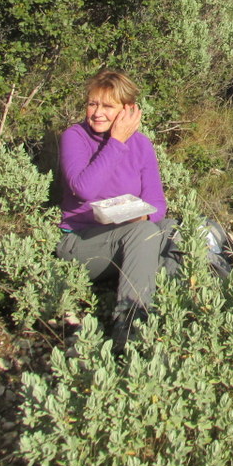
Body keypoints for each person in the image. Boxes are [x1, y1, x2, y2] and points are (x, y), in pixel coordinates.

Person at [57, 69, 181, 350]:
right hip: (81, 241)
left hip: (127, 236)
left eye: (107, 106)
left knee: (171, 229)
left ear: (128, 110)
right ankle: (129, 332)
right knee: (144, 233)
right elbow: (84, 189)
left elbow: (158, 204)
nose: (97, 112)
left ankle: (175, 311)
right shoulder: (74, 137)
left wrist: (143, 215)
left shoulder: (142, 145)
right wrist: (116, 141)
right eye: (92, 103)